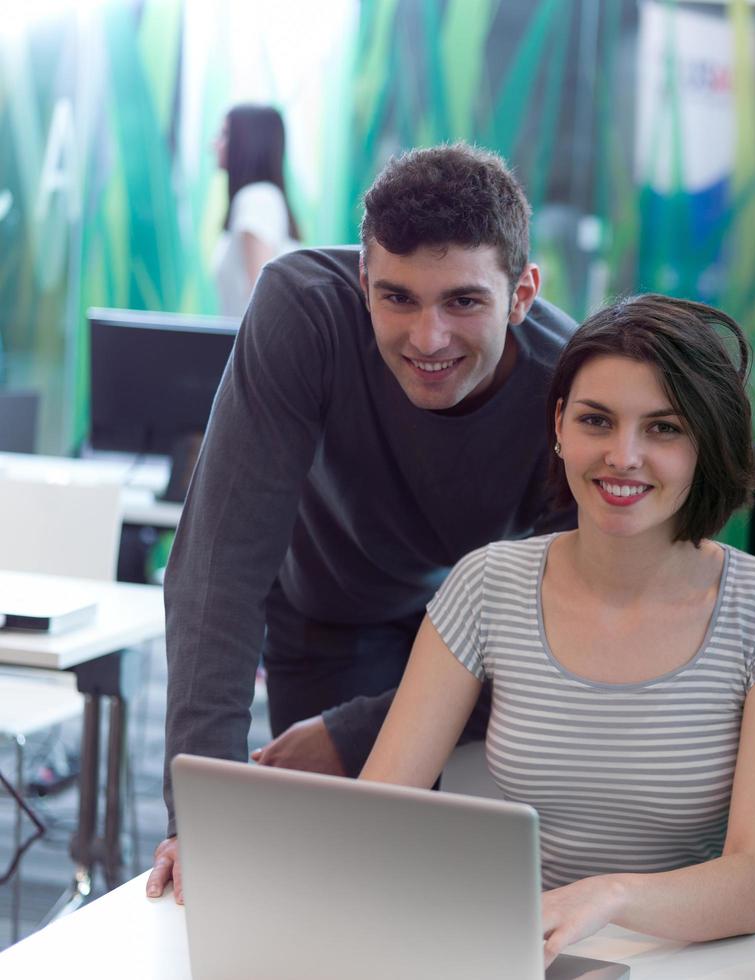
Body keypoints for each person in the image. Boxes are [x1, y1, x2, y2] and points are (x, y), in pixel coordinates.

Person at [147, 144, 578, 902]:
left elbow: (562, 639)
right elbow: (219, 567)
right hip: (331, 609)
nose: (427, 338)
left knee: (452, 885)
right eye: (398, 298)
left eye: (464, 302)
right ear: (362, 282)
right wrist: (202, 812)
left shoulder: (571, 384)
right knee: (330, 883)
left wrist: (356, 731)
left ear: (522, 293)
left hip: (487, 642)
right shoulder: (302, 308)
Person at [360, 294, 755, 966]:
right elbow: (376, 812)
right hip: (524, 954)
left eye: (663, 429)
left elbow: (752, 884)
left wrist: (606, 897)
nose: (623, 456)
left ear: (707, 443)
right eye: (596, 420)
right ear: (559, 425)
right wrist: (242, 854)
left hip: (684, 960)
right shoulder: (487, 584)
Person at [211, 104, 302, 317]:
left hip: (252, 347)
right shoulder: (261, 198)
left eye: (224, 134)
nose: (214, 144)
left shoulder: (256, 199)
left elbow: (261, 297)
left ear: (248, 142)